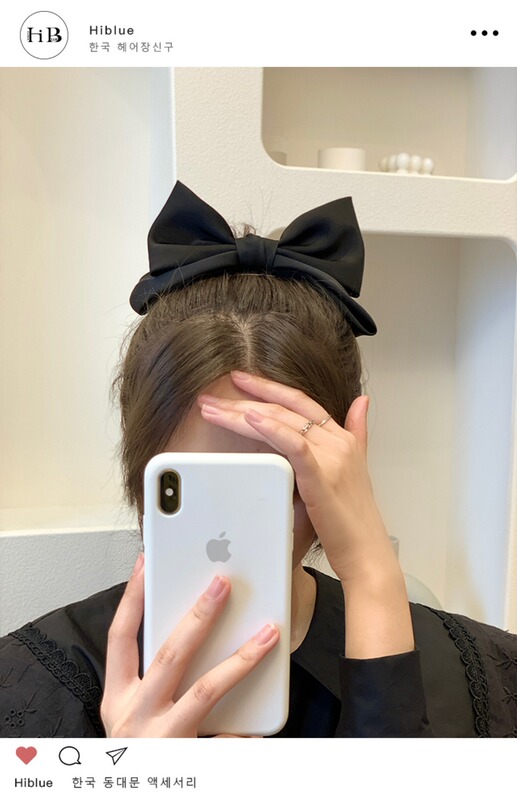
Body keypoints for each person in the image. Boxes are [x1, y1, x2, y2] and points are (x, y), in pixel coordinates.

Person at [1, 182, 516, 738]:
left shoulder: (482, 681)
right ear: (142, 471)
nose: (234, 533)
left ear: (344, 466)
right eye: (207, 484)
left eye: (276, 484)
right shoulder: (31, 689)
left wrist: (374, 580)